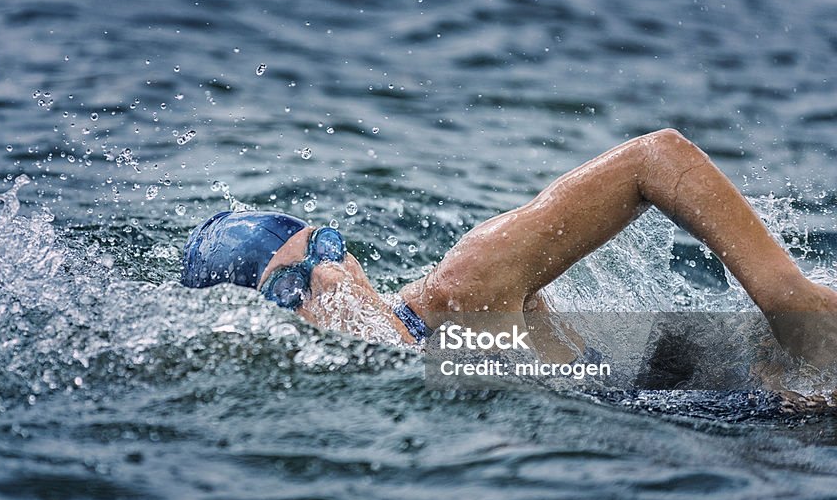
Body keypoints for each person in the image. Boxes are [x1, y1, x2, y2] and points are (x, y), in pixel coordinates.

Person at [180, 129, 837, 376]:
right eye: (295, 283)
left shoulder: (464, 292)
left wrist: (787, 297)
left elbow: (654, 157)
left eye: (325, 247)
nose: (328, 274)